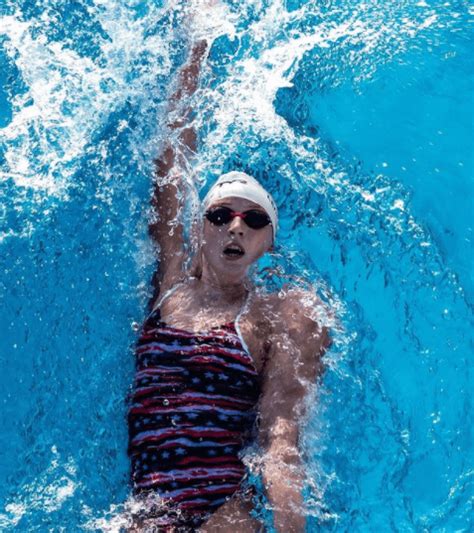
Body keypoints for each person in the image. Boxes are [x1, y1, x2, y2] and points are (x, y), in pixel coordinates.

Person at [127, 18, 330, 533]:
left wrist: (290, 525)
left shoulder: (274, 313)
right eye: (221, 216)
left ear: (268, 242)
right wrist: (199, 44)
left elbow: (282, 435)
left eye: (253, 220)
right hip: (145, 516)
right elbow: (169, 165)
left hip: (225, 516)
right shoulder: (170, 287)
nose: (236, 227)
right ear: (201, 231)